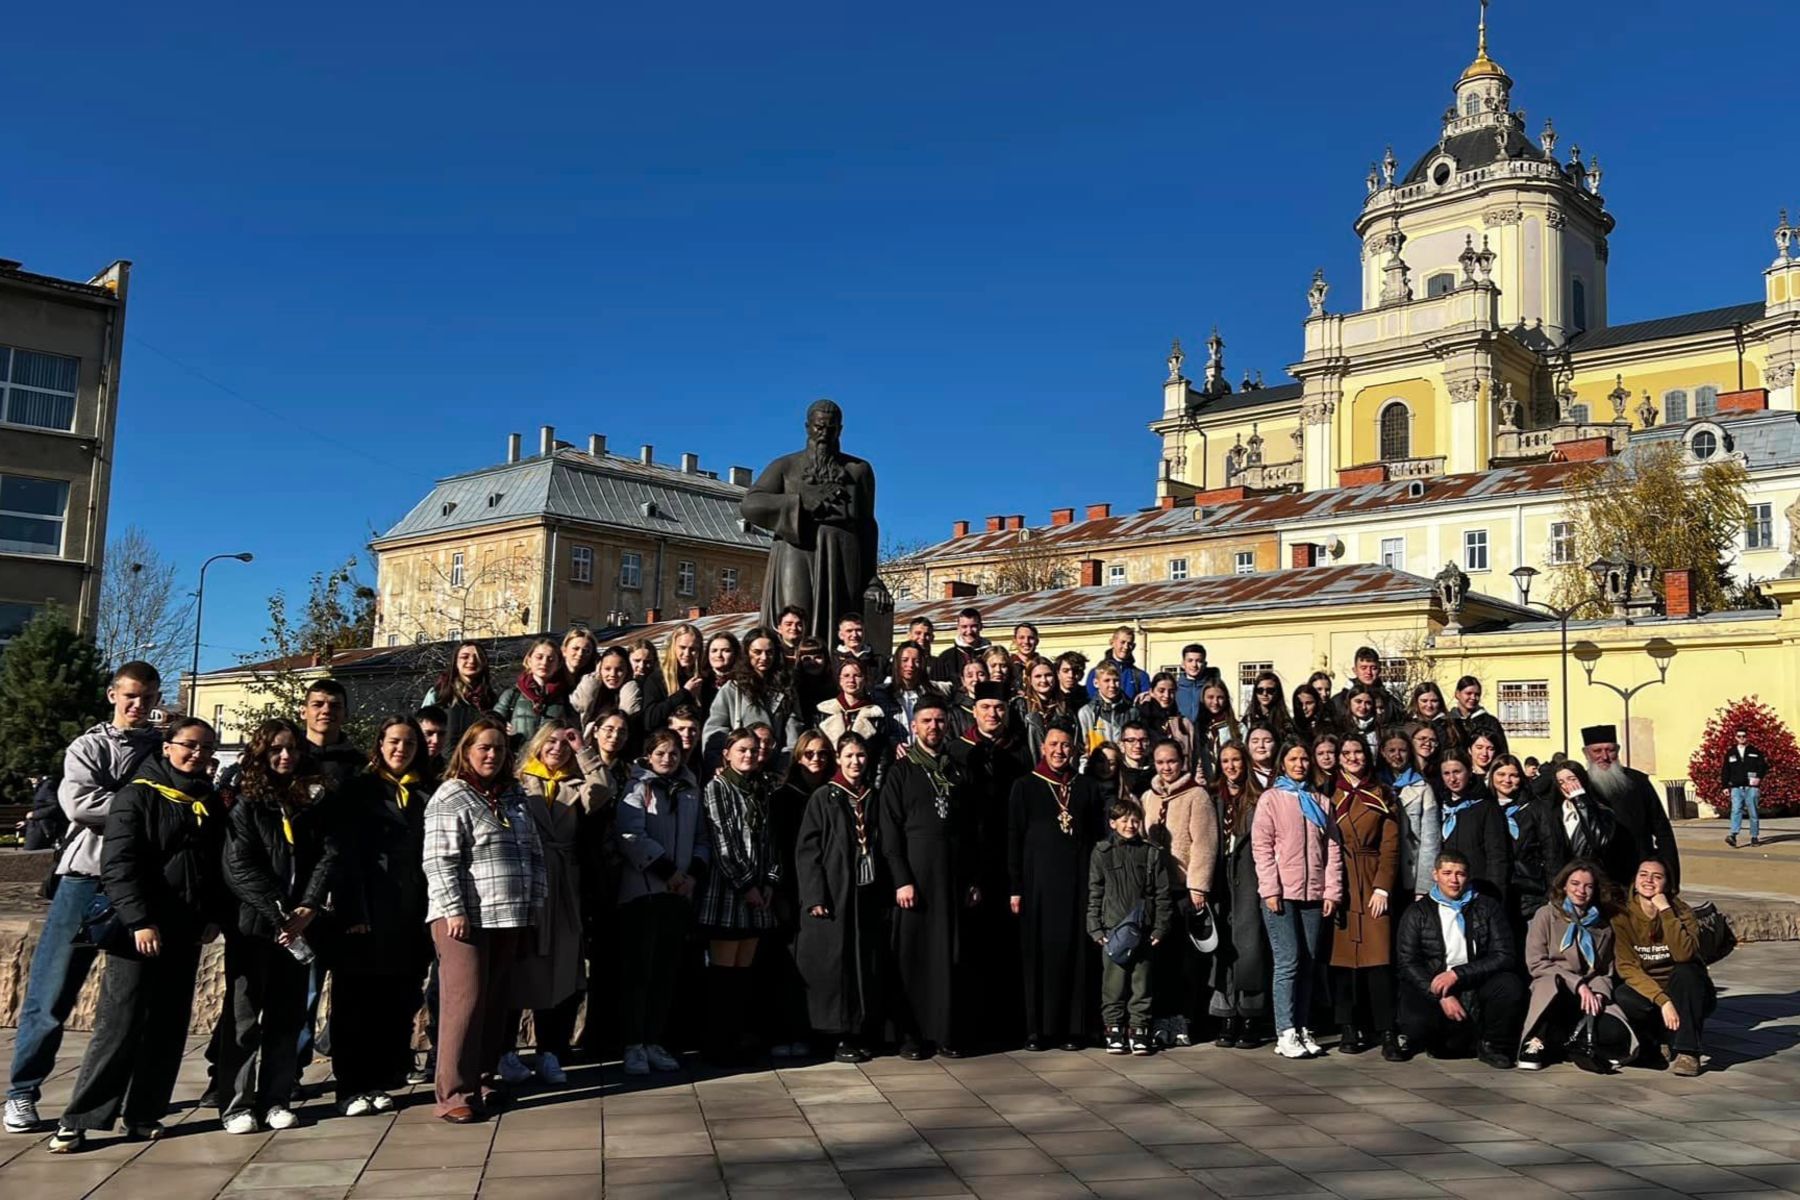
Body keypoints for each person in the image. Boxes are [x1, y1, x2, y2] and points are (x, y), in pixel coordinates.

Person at [44, 718, 223, 1154]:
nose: (197, 754)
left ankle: (144, 1114)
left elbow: (217, 864)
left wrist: (212, 914)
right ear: (167, 747)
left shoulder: (208, 800)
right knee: (119, 1023)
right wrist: (140, 920)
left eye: (205, 748)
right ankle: (81, 1118)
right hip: (139, 929)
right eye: (188, 746)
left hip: (185, 929)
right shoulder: (138, 795)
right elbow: (119, 865)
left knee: (168, 1025)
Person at [6, 661, 162, 1136]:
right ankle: (22, 1093)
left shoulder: (161, 748)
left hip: (137, 884)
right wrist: (146, 805)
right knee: (51, 993)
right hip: (83, 880)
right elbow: (80, 805)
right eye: (131, 695)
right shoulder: (89, 746)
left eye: (148, 697)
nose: (139, 705)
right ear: (113, 694)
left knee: (127, 1003)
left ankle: (105, 1102)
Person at [219, 718, 342, 1133]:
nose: (285, 756)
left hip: (299, 925)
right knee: (244, 1018)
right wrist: (279, 916)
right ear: (261, 754)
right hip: (256, 926)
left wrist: (306, 907)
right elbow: (240, 866)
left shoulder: (311, 801)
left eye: (291, 748)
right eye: (276, 749)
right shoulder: (247, 804)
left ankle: (276, 1098)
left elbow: (327, 854)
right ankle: (236, 1103)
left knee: (287, 1017)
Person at [424, 718, 546, 1121]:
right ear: (467, 752)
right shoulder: (451, 796)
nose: (492, 755)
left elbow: (533, 852)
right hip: (465, 919)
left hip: (509, 914)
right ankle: (454, 1092)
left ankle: (483, 1077)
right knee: (465, 1001)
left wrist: (535, 905)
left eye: (498, 749)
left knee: (496, 1002)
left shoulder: (513, 797)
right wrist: (453, 908)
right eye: (483, 748)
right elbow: (440, 860)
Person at [329, 716, 434, 1116]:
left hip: (411, 913)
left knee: (399, 1000)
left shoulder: (427, 792)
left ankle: (383, 1078)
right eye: (393, 741)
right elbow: (345, 855)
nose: (400, 750)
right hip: (367, 911)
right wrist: (352, 908)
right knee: (357, 1003)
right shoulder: (358, 790)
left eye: (409, 743)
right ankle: (352, 1085)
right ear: (379, 744)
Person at [880, 696, 976, 1059]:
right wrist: (901, 878)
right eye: (926, 721)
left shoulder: (958, 771)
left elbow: (970, 829)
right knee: (913, 958)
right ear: (914, 726)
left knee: (949, 957)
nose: (933, 727)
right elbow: (890, 831)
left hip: (951, 878)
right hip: (915, 879)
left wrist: (972, 879)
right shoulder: (901, 772)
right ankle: (912, 1036)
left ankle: (946, 1032)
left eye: (939, 721)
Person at [497, 721, 591, 1087]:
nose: (558, 748)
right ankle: (506, 1051)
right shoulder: (519, 781)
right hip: (528, 885)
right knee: (519, 969)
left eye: (564, 742)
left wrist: (583, 749)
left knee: (561, 972)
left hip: (564, 889)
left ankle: (550, 1051)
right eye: (550, 741)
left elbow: (600, 793)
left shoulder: (576, 782)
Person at [615, 730, 709, 1077]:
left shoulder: (690, 790)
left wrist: (692, 872)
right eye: (660, 754)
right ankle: (633, 1043)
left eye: (673, 754)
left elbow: (702, 837)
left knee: (665, 971)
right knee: (640, 970)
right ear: (649, 756)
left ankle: (654, 1039)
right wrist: (666, 870)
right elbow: (630, 835)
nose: (668, 759)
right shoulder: (638, 788)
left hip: (679, 892)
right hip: (644, 890)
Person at [1008, 724, 1105, 1053]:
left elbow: (1097, 837)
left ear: (1074, 750)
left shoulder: (1087, 788)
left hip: (1079, 884)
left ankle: (1073, 1028)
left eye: (1065, 745)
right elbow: (1014, 840)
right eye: (1053, 744)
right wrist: (1016, 887)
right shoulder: (1025, 787)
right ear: (1043, 747)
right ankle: (1038, 1029)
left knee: (1077, 956)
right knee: (1040, 956)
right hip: (1038, 887)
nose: (1059, 751)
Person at [796, 731, 890, 1063]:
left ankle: (862, 1028)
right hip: (835, 895)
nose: (855, 762)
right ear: (839, 758)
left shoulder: (873, 796)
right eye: (849, 756)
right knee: (836, 966)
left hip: (866, 892)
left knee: (864, 963)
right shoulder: (824, 797)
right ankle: (837, 1035)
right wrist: (815, 895)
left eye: (860, 756)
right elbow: (808, 851)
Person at [949, 680, 1030, 1048]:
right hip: (971, 862)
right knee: (972, 948)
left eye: (999, 708)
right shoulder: (957, 751)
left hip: (1009, 862)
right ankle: (972, 1027)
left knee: (1007, 948)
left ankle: (1007, 1026)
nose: (993, 714)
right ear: (974, 711)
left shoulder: (1019, 752)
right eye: (986, 708)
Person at [694, 728, 781, 1062]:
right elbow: (723, 842)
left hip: (759, 895)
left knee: (744, 974)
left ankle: (739, 1038)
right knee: (723, 975)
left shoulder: (761, 789)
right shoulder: (717, 788)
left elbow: (770, 839)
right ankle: (718, 1043)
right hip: (728, 894)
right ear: (727, 753)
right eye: (742, 749)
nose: (749, 755)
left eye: (754, 750)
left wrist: (771, 880)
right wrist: (747, 885)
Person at [1253, 739, 1343, 1059]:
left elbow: (1332, 848)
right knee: (1288, 961)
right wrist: (1270, 889)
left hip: (1314, 894)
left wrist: (1332, 890)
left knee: (1308, 963)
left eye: (1304, 758)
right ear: (1283, 763)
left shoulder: (1321, 801)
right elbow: (1262, 848)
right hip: (1282, 895)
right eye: (1293, 758)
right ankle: (1285, 1030)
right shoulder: (1271, 800)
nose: (1300, 764)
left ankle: (1303, 1026)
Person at [1393, 849, 1524, 1069]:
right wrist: (1440, 994)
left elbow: (1504, 955)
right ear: (1435, 875)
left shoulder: (1487, 907)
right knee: (1441, 1043)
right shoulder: (1417, 913)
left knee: (1510, 986)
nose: (1454, 880)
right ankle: (1421, 1037)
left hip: (1475, 979)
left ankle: (1493, 1045)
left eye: (1460, 874)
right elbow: (1408, 962)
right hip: (1435, 986)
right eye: (1447, 873)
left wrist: (1457, 974)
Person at [1517, 860, 1638, 1073]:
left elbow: (1604, 970)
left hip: (1588, 994)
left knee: (1615, 1033)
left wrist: (1599, 994)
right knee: (1550, 988)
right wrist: (1578, 984)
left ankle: (1576, 1043)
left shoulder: (1602, 925)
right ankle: (1535, 1042)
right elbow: (1536, 962)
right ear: (1564, 885)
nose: (1580, 891)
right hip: (1555, 986)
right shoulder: (1546, 915)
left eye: (1588, 886)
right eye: (1574, 884)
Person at [1139, 736, 1216, 1049]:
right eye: (1160, 762)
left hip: (1183, 888)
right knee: (1160, 958)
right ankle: (1161, 1018)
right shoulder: (1148, 796)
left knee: (1186, 960)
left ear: (1182, 761)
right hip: (1157, 891)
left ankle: (1183, 1018)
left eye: (1171, 761)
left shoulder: (1196, 796)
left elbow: (1205, 843)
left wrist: (1198, 885)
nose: (1166, 768)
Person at [1327, 736, 1401, 1059]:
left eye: (1358, 752)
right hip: (1340, 878)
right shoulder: (1329, 794)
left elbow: (1391, 844)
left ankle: (1387, 1029)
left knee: (1378, 960)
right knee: (1342, 961)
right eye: (1347, 753)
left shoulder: (1382, 793)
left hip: (1371, 879)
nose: (1353, 757)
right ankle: (1348, 1026)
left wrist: (1383, 886)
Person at [1612, 858, 1715, 1077]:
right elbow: (1627, 967)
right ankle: (1659, 1038)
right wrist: (1662, 1000)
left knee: (1686, 971)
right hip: (1651, 989)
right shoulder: (1621, 915)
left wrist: (1666, 911)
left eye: (1657, 876)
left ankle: (1688, 1052)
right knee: (1623, 994)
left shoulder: (1682, 912)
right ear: (1635, 880)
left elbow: (1684, 954)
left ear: (1667, 884)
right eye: (1643, 874)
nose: (1649, 880)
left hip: (1686, 988)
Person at [1087, 799, 1171, 1056]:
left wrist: (1160, 928)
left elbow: (1162, 894)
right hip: (1112, 929)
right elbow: (1095, 892)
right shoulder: (1101, 852)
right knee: (1113, 984)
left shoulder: (1151, 852)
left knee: (1141, 983)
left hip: (1143, 929)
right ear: (1112, 823)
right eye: (1123, 820)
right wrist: (1095, 928)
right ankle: (1114, 1029)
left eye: (1134, 819)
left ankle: (1139, 1029)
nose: (1129, 824)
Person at [766, 731, 831, 1059]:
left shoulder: (834, 794)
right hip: (791, 890)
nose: (816, 760)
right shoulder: (783, 797)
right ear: (798, 758)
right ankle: (786, 1030)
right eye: (809, 754)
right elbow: (776, 848)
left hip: (827, 890)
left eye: (822, 754)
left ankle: (816, 1032)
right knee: (789, 967)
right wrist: (779, 893)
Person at [1207, 743, 1269, 1049]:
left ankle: (1250, 1015)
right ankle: (1225, 1014)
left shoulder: (1259, 799)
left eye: (1236, 760)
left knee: (1251, 948)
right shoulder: (1213, 797)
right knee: (1224, 951)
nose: (1231, 766)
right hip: (1220, 881)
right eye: (1226, 761)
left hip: (1249, 878)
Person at [1581, 725, 1679, 889]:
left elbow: (1662, 831)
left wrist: (1671, 875)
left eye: (1610, 750)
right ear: (1586, 753)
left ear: (1617, 751)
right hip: (1596, 876)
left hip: (1637, 873)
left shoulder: (1638, 782)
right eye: (1597, 751)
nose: (1604, 757)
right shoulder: (1581, 787)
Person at [705, 627, 799, 766]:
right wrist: (719, 763)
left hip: (775, 767)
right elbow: (715, 729)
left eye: (769, 653)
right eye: (757, 652)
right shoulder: (732, 689)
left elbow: (793, 732)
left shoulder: (786, 689)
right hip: (741, 765)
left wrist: (786, 764)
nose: (764, 658)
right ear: (747, 653)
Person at [1437, 749, 1510, 901]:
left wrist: (1494, 895)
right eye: (1446, 773)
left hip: (1478, 889)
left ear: (1469, 772)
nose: (1452, 779)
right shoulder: (1439, 806)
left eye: (1457, 772)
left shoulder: (1486, 807)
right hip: (1446, 889)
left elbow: (1497, 856)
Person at [1380, 730, 1441, 905]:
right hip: (1381, 872)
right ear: (1383, 753)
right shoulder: (1375, 785)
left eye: (1402, 750)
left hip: (1409, 874)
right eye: (1391, 751)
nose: (1397, 756)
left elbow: (1430, 842)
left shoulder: (1423, 788)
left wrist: (1423, 887)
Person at [1489, 754, 1549, 932]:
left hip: (1528, 891)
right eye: (1501, 774)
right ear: (1492, 777)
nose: (1507, 780)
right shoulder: (1482, 807)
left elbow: (1550, 850)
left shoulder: (1534, 809)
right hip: (1493, 889)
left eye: (1513, 775)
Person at [1538, 761, 1617, 895]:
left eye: (1572, 779)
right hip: (1559, 884)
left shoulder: (1602, 812)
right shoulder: (1553, 812)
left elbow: (1599, 841)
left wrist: (1581, 802)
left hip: (1589, 883)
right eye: (1561, 782)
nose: (1567, 785)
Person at [816, 658, 890, 777]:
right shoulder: (823, 712)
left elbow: (882, 757)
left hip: (864, 781)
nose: (851, 680)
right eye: (846, 675)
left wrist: (876, 785)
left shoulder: (876, 715)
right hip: (829, 779)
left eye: (857, 675)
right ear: (839, 680)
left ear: (865, 679)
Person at [493, 638, 574, 745]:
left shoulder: (567, 697)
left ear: (558, 664)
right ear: (529, 660)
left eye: (551, 659)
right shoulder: (512, 695)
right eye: (539, 657)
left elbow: (573, 730)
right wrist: (500, 727)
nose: (544, 663)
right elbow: (491, 724)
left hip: (550, 758)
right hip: (518, 758)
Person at [422, 642, 499, 752]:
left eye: (478, 657)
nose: (472, 661)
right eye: (465, 657)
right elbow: (422, 731)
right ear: (456, 662)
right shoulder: (439, 694)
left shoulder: (490, 699)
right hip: (443, 763)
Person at [645, 624, 713, 733]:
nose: (687, 654)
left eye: (693, 649)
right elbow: (650, 720)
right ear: (673, 647)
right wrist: (684, 693)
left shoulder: (704, 681)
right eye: (682, 647)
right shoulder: (657, 679)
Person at [885, 643, 945, 751]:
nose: (911, 665)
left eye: (916, 661)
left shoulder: (933, 694)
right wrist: (893, 743)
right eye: (905, 660)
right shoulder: (883, 694)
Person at [1136, 672, 1197, 773]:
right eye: (1161, 691)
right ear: (1151, 692)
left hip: (1181, 779)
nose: (1167, 695)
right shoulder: (1140, 718)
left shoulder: (1183, 723)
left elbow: (1195, 757)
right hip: (1148, 777)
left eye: (1171, 691)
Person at [574, 646, 642, 732]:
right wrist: (593, 680)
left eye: (619, 670)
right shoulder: (589, 688)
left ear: (627, 671)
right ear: (599, 669)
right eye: (607, 669)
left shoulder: (632, 692)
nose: (613, 674)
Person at [1722, 727, 1770, 848]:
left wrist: (1758, 777)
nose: (1742, 738)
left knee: (1753, 811)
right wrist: (1725, 786)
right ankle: (1733, 835)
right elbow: (1725, 770)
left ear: (1747, 737)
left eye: (1744, 736)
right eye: (1739, 736)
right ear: (1735, 738)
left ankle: (1754, 837)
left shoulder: (1755, 751)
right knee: (1736, 810)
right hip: (1736, 787)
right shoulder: (1730, 753)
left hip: (1751, 787)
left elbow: (1763, 766)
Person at [1333, 647, 1400, 728]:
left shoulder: (1390, 702)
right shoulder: (1338, 702)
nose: (1368, 672)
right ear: (1355, 670)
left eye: (1373, 668)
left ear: (1379, 670)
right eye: (1363, 668)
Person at [1013, 658, 1062, 763]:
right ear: (1029, 680)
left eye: (1048, 675)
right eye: (1038, 676)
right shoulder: (1020, 706)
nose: (1043, 680)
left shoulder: (1063, 709)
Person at [1079, 664, 1133, 756]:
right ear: (1096, 683)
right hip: (1097, 765)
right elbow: (1083, 749)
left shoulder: (1131, 712)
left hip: (1124, 766)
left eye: (1116, 680)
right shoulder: (1086, 712)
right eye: (1107, 680)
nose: (1112, 685)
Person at [1195, 681, 1244, 782]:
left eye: (1220, 697)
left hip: (1231, 783)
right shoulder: (1196, 729)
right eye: (1210, 697)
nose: (1215, 702)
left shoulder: (1239, 728)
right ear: (1203, 699)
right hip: (1203, 784)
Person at [1450, 677, 1509, 756]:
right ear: (1457, 694)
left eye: (1477, 694)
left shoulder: (1490, 722)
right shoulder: (1447, 721)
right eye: (1468, 693)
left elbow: (1502, 752)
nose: (1473, 697)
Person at [932, 607, 989, 683]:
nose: (969, 631)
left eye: (973, 626)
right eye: (964, 627)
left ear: (981, 627)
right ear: (958, 628)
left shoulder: (991, 655)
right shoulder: (945, 658)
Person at [1174, 644, 1222, 725]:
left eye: (1198, 661)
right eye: (1190, 660)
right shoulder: (1174, 688)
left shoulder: (1214, 688)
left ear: (1205, 664)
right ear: (1183, 664)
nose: (1194, 665)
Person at [1241, 671, 1291, 741]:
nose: (1265, 694)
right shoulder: (1248, 720)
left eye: (1270, 690)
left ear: (1277, 692)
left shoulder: (1285, 722)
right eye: (1260, 690)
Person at [835, 611, 884, 680]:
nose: (854, 635)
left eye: (858, 630)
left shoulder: (879, 662)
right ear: (840, 635)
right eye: (849, 631)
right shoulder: (832, 661)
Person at [1116, 722, 1156, 799]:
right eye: (1131, 740)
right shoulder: (1115, 773)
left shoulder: (1158, 772)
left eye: (1143, 740)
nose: (1138, 745)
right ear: (1121, 745)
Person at [1053, 652, 1089, 720]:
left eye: (1075, 671)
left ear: (1082, 674)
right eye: (1065, 671)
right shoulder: (1051, 697)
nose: (1071, 675)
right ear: (1057, 673)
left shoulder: (1088, 697)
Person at [415, 706, 451, 773]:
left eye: (441, 734)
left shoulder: (450, 771)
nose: (436, 740)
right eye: (429, 733)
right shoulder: (402, 767)